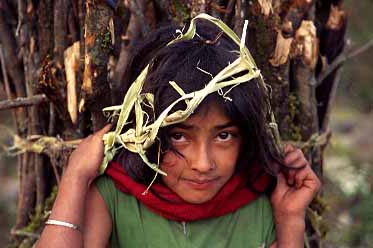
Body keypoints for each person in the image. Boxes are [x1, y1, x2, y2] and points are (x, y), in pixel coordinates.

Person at [37, 15, 321, 248]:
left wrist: (290, 220)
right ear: (144, 131)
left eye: (224, 136)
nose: (202, 164)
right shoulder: (116, 198)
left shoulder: (258, 202)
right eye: (179, 136)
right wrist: (75, 177)